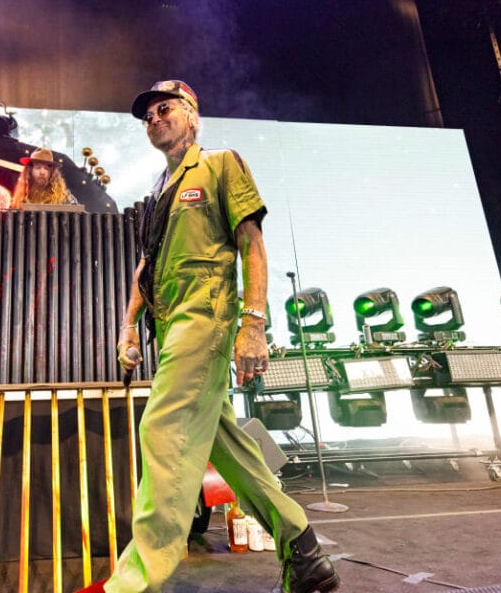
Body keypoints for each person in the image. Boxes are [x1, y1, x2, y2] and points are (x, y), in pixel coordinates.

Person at [79, 80, 340, 593]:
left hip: (208, 314)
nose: (155, 118)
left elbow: (252, 244)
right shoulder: (157, 192)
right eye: (148, 114)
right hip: (171, 322)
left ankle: (135, 582)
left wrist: (254, 323)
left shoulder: (220, 164)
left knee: (164, 428)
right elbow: (146, 267)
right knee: (226, 447)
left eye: (165, 108)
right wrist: (129, 324)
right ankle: (304, 552)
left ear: (192, 116)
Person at [10, 148, 78, 208]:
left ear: (52, 173)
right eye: (38, 167)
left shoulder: (64, 197)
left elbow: (77, 213)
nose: (42, 172)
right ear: (30, 171)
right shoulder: (21, 197)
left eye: (46, 168)